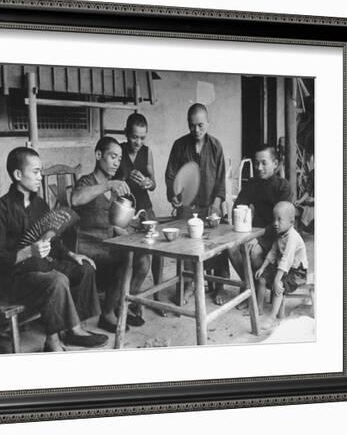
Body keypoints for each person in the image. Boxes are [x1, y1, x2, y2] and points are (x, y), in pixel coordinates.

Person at [0, 147, 108, 352]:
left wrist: (72, 254)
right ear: (17, 175)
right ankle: (54, 341)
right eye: (35, 172)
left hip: (43, 266)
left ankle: (72, 328)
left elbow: (55, 241)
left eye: (40, 171)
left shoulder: (40, 204)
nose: (40, 177)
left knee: (85, 268)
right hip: (14, 277)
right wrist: (27, 252)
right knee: (57, 280)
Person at [71, 137, 149, 332]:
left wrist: (134, 225)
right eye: (113, 156)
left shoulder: (113, 188)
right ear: (98, 155)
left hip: (108, 243)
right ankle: (107, 315)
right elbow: (75, 199)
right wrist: (108, 185)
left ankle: (122, 306)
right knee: (126, 257)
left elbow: (113, 223)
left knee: (143, 258)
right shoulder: (87, 182)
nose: (116, 162)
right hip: (89, 246)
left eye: (119, 158)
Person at [164, 103, 230, 305]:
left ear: (208, 123)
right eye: (192, 125)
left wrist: (217, 203)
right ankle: (188, 284)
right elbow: (171, 175)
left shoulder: (216, 146)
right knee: (184, 244)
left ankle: (219, 285)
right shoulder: (179, 145)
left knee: (219, 243)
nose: (196, 130)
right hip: (188, 206)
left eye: (200, 125)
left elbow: (220, 180)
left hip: (211, 204)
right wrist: (173, 194)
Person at [227, 145, 292, 310]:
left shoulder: (283, 186)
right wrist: (243, 217)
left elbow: (283, 222)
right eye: (256, 163)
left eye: (264, 163)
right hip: (255, 232)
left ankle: (255, 292)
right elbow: (239, 205)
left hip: (277, 236)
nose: (259, 168)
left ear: (275, 163)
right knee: (232, 249)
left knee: (254, 252)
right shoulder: (253, 184)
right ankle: (250, 288)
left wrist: (258, 236)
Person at [113, 113, 162, 318]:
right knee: (133, 256)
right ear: (126, 134)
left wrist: (147, 183)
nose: (138, 142)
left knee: (158, 249)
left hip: (145, 208)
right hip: (126, 209)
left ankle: (155, 294)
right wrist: (125, 178)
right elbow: (111, 184)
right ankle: (130, 299)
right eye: (134, 137)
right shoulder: (118, 151)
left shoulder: (146, 152)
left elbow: (154, 183)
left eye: (142, 137)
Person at [254, 201, 309, 329]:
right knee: (262, 279)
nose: (275, 223)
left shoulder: (293, 238)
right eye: (274, 219)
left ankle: (272, 317)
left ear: (291, 221)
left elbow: (286, 260)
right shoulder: (281, 234)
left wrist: (277, 279)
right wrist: (262, 268)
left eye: (280, 220)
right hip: (284, 268)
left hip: (296, 272)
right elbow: (273, 252)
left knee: (279, 285)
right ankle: (259, 308)